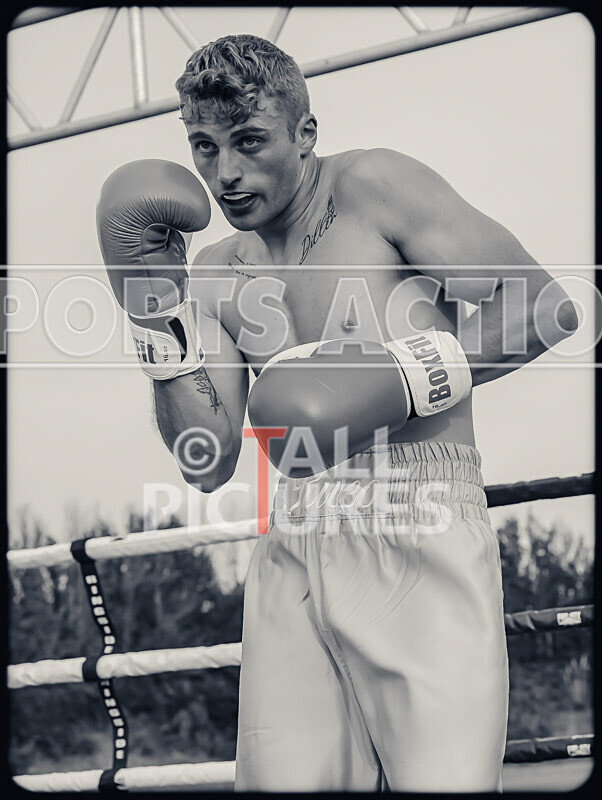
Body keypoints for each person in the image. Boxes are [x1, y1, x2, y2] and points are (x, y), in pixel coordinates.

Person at [97, 34, 577, 791]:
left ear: (305, 132)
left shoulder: (375, 187)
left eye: (249, 141)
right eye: (204, 147)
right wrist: (155, 316)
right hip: (294, 540)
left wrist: (399, 380)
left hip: (420, 515)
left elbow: (544, 306)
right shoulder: (216, 273)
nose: (225, 173)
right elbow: (208, 455)